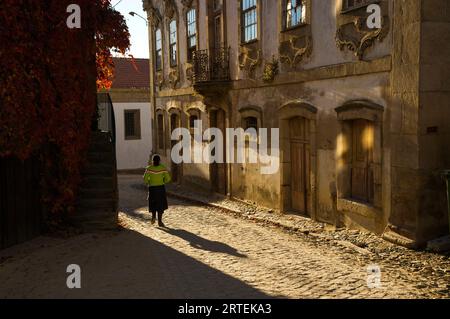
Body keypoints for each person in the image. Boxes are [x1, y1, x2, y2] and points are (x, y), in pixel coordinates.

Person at [143, 154, 171, 227]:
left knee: (153, 203)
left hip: (152, 189)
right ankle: (160, 221)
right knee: (160, 204)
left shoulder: (149, 168)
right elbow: (168, 178)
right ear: (159, 161)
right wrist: (163, 181)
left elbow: (145, 179)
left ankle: (153, 217)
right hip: (161, 188)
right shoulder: (163, 168)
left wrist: (149, 182)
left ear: (153, 161)